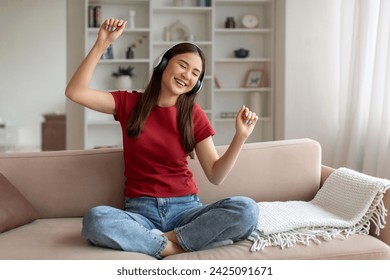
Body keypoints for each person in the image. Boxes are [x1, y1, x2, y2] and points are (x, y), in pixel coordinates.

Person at [66, 18, 260, 259]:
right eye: (182, 65)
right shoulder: (129, 103)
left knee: (247, 209)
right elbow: (75, 92)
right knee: (96, 220)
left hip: (186, 209)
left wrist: (240, 137)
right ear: (164, 64)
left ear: (196, 84)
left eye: (195, 73)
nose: (186, 75)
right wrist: (101, 43)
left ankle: (161, 241)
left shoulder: (194, 115)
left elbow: (215, 175)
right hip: (140, 211)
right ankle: (177, 246)